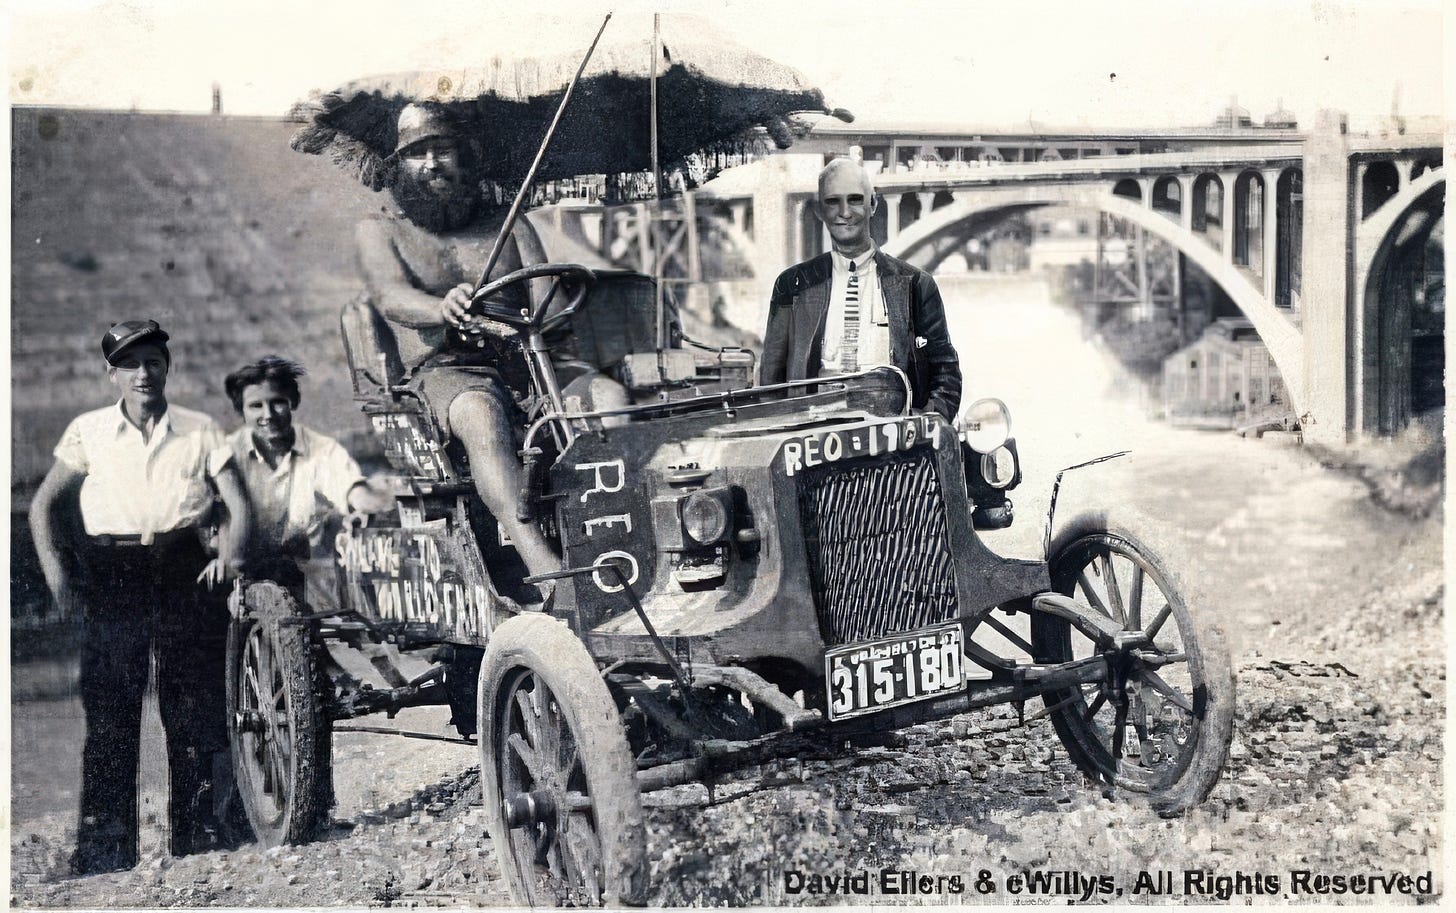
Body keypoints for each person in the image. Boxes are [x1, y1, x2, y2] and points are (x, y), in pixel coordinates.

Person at [349, 102, 626, 593]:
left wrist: (559, 294)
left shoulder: (510, 222)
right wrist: (440, 308)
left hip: (530, 361)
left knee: (608, 397)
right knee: (480, 414)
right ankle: (551, 578)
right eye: (417, 153)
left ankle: (619, 541)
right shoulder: (381, 228)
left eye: (443, 149)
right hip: (447, 371)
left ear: (465, 157)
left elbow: (549, 306)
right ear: (399, 166)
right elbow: (389, 296)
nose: (432, 163)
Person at [29, 320, 249, 874]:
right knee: (109, 711)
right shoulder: (89, 431)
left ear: (166, 368)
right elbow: (43, 506)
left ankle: (205, 837)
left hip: (184, 569)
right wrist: (57, 572)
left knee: (197, 705)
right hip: (114, 573)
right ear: (113, 376)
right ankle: (104, 850)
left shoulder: (200, 430)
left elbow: (238, 504)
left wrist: (230, 556)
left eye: (153, 361)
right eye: (130, 365)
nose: (143, 374)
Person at [760, 158, 962, 422]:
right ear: (820, 210)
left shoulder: (916, 285)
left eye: (855, 200)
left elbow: (946, 373)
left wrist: (926, 421)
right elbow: (770, 382)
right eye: (833, 202)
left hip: (894, 441)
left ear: (873, 204)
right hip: (813, 436)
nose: (844, 212)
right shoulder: (791, 285)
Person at [201, 357, 393, 584]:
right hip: (236, 568)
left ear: (292, 402)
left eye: (277, 402)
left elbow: (353, 489)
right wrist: (220, 559)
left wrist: (374, 507)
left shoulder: (321, 450)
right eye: (256, 406)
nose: (268, 415)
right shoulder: (226, 454)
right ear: (241, 411)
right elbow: (215, 521)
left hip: (299, 572)